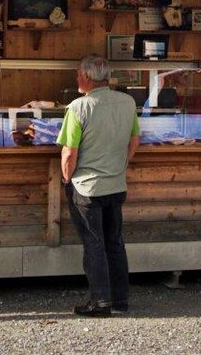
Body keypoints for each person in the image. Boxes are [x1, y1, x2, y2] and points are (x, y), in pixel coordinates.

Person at [56, 55, 141, 317]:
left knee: (94, 244)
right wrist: (118, 165)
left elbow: (70, 153)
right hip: (116, 184)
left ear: (89, 77)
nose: (77, 78)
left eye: (79, 74)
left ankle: (100, 302)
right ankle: (120, 300)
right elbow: (134, 141)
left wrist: (67, 178)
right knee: (115, 242)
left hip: (87, 187)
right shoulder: (127, 102)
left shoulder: (78, 107)